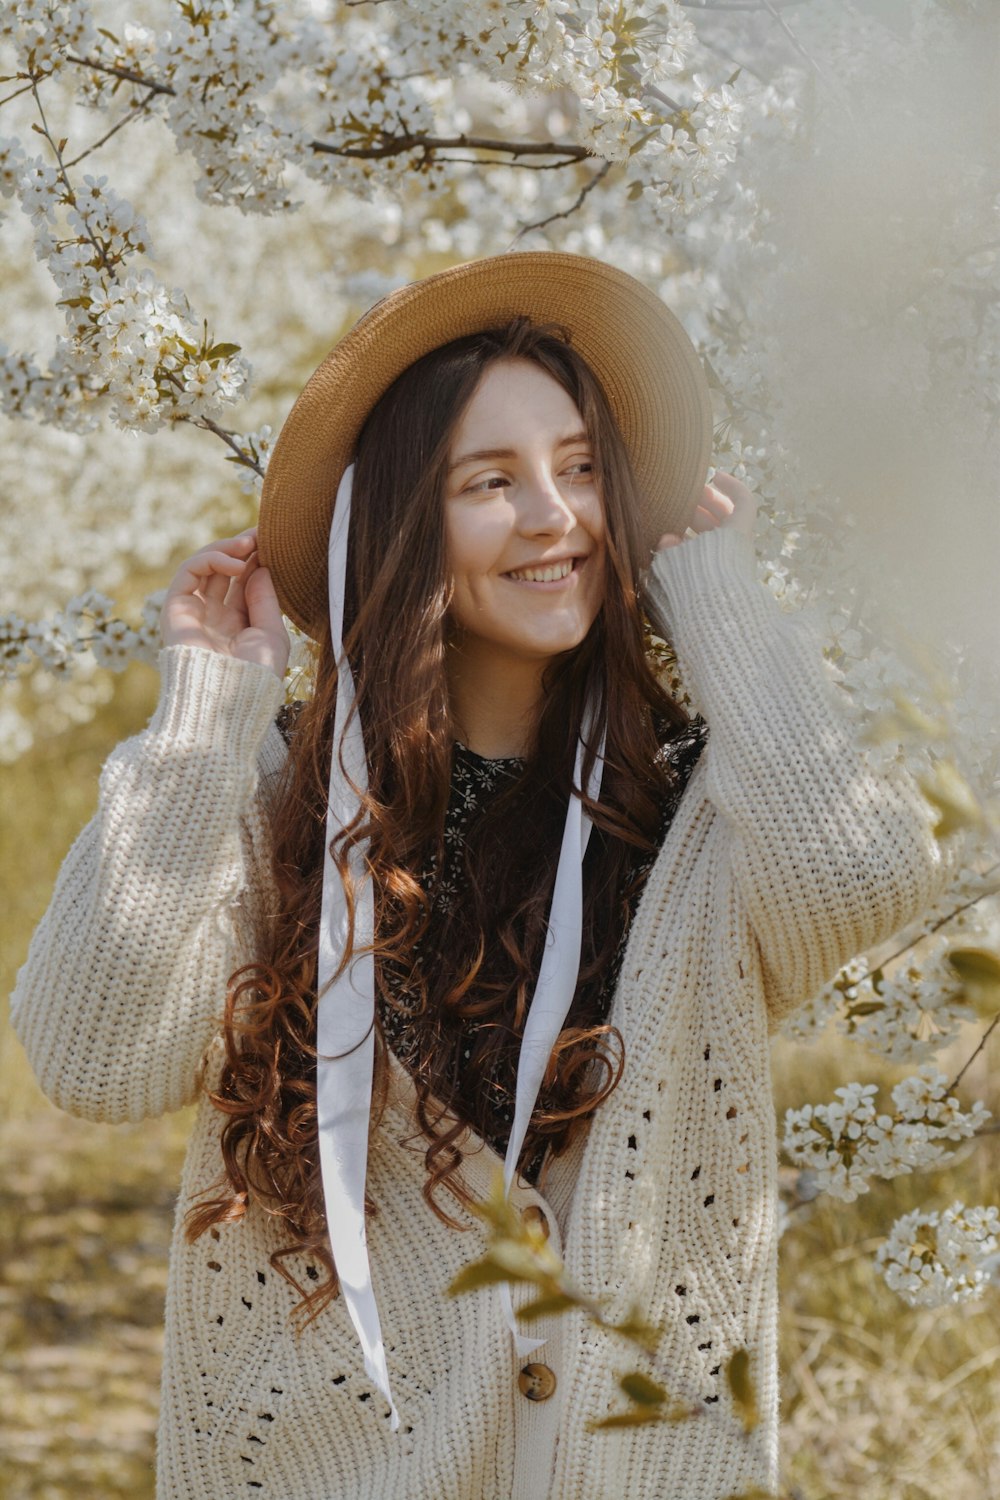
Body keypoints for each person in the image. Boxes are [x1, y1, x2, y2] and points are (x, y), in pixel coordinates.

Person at [11, 252, 956, 1500]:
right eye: (491, 482)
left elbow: (866, 873)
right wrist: (203, 719)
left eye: (579, 469)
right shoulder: (287, 801)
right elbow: (91, 1058)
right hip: (322, 1469)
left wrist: (713, 594)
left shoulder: (694, 807)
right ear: (407, 524)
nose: (555, 514)